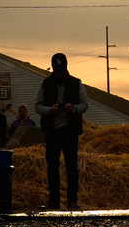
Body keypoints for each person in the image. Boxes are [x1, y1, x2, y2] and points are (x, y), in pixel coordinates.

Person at [35, 53, 89, 210]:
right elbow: (38, 106)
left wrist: (73, 109)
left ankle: (72, 200)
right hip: (52, 131)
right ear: (53, 68)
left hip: (70, 131)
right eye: (58, 70)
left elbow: (84, 104)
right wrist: (50, 110)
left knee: (71, 166)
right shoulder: (46, 84)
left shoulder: (76, 83)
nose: (60, 73)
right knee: (52, 166)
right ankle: (54, 200)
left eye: (62, 70)